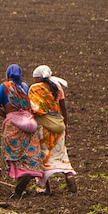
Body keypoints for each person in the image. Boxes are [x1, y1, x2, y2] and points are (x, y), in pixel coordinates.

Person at [0, 64, 43, 198]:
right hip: (29, 122)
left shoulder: (5, 86)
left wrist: (5, 115)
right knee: (26, 154)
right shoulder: (24, 87)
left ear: (8, 74)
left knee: (13, 155)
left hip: (14, 124)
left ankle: (20, 182)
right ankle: (21, 186)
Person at [28, 65, 77, 193]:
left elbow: (33, 108)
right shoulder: (57, 87)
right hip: (58, 125)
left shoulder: (35, 89)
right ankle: (69, 175)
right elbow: (64, 109)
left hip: (43, 127)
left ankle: (44, 187)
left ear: (38, 78)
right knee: (62, 155)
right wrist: (65, 126)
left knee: (44, 157)